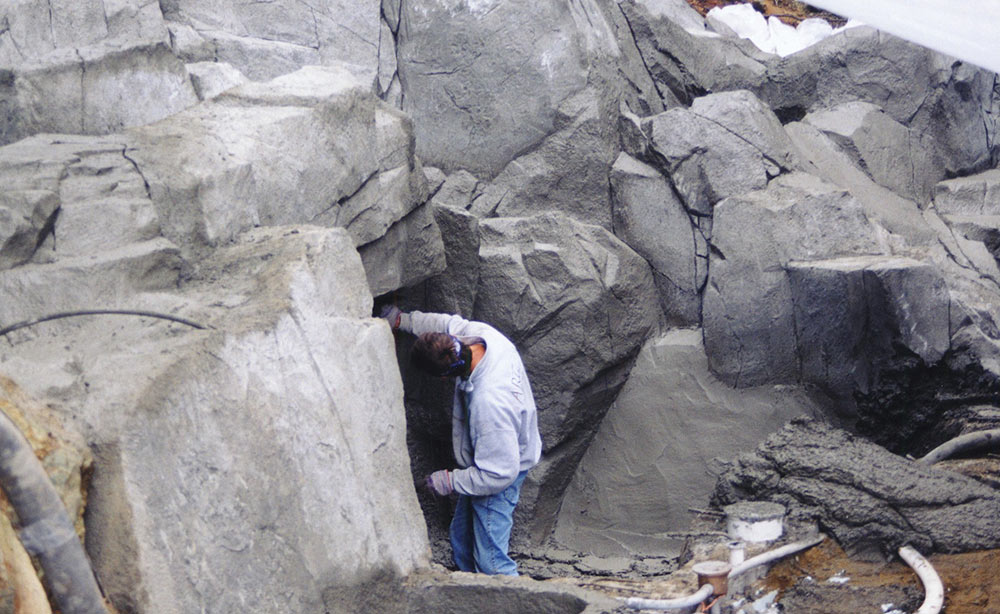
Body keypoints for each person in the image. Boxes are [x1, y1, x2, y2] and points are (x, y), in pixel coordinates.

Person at [382, 306, 541, 576]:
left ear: (445, 376)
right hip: (489, 457)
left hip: (500, 473)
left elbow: (498, 474)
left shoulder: (490, 404)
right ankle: (471, 594)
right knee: (462, 539)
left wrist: (450, 481)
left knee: (491, 563)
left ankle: (510, 598)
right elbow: (443, 322)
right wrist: (402, 321)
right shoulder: (475, 336)